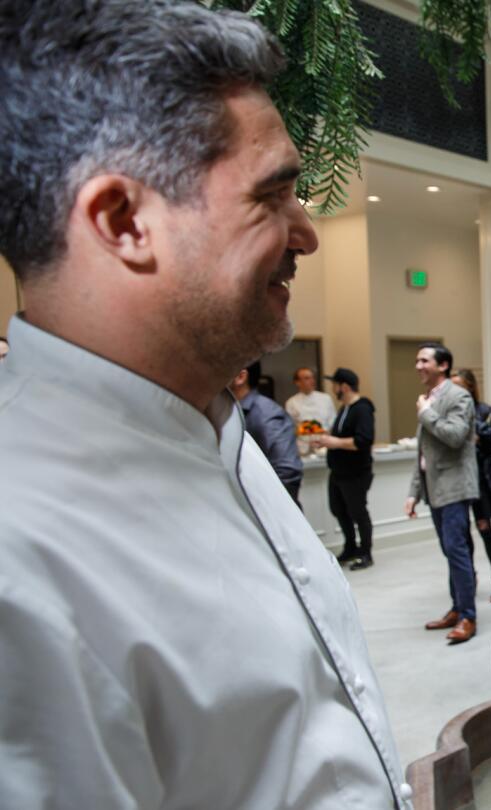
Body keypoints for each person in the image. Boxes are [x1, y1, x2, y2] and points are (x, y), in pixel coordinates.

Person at [0, 2, 410, 806]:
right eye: (271, 197)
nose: (307, 233)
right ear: (124, 221)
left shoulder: (219, 437)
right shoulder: (22, 563)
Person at [404, 342, 480, 644]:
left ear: (443, 365)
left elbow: (455, 436)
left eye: (424, 360)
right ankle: (457, 607)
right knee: (450, 551)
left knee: (457, 551)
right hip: (434, 489)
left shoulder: (457, 396)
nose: (418, 366)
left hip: (455, 488)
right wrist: (413, 492)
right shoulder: (430, 398)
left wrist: (426, 414)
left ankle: (468, 617)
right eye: (417, 360)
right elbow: (424, 453)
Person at [311, 367, 376, 570]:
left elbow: (363, 440)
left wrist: (334, 442)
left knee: (358, 512)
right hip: (338, 471)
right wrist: (326, 441)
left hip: (355, 472)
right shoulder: (344, 409)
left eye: (335, 385)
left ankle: (365, 552)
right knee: (338, 509)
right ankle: (350, 547)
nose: (333, 389)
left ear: (344, 387)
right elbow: (339, 437)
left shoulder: (362, 408)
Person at [453, 368, 491, 603]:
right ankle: (468, 579)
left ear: (471, 387)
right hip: (457, 480)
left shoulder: (484, 411)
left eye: (460, 386)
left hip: (481, 480)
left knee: (485, 529)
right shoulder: (450, 411)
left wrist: (479, 431)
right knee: (461, 534)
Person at [230, 361, 304, 502]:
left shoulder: (267, 414)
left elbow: (287, 472)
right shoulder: (230, 411)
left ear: (240, 377)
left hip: (265, 513)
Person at [285, 365, 336, 456]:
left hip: (324, 446)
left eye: (312, 377)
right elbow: (289, 428)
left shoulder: (325, 398)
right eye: (307, 378)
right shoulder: (291, 403)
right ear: (297, 382)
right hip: (303, 448)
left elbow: (333, 421)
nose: (312, 381)